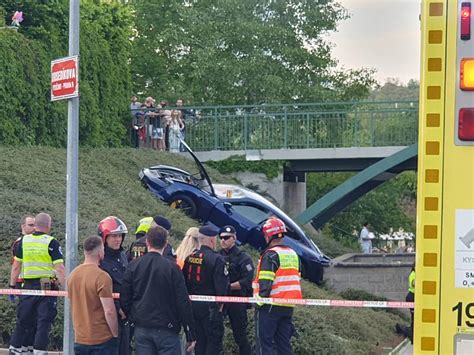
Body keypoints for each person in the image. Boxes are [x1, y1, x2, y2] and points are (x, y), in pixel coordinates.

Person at [120, 226, 196, 354]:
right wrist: (190, 333)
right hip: (167, 328)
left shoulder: (133, 265)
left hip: (142, 327)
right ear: (166, 244)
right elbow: (183, 301)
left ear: (147, 242)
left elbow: (125, 297)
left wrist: (133, 316)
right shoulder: (173, 268)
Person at [9, 213, 65, 355]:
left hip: (27, 285)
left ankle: (15, 349)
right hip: (46, 284)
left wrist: (11, 286)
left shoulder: (24, 241)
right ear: (48, 225)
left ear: (36, 225)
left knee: (23, 320)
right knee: (43, 322)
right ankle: (39, 351)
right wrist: (67, 288)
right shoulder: (52, 242)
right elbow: (59, 269)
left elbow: (16, 266)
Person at [253, 217, 302, 355]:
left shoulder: (270, 255)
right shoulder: (293, 254)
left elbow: (265, 283)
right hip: (288, 306)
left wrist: (258, 303)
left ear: (268, 235)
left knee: (265, 345)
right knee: (283, 345)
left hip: (269, 305)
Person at [182, 225, 229, 355]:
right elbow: (222, 287)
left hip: (193, 307)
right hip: (211, 308)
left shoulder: (190, 257)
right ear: (212, 240)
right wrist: (220, 307)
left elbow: (183, 282)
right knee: (213, 342)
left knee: (199, 342)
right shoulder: (217, 259)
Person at [68, 236, 119, 354]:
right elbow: (109, 311)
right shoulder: (102, 277)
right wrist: (115, 333)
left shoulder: (72, 276)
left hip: (80, 338)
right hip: (101, 339)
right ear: (100, 252)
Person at [218, 225, 254, 355]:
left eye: (226, 238)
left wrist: (229, 286)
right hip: (220, 299)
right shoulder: (217, 256)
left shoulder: (243, 258)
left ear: (234, 238)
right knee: (215, 333)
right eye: (221, 238)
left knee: (240, 335)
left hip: (236, 299)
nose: (223, 240)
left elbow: (247, 280)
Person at [98, 216, 130, 355]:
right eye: (114, 236)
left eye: (120, 236)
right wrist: (117, 307)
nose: (118, 239)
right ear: (104, 238)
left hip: (126, 313)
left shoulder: (122, 255)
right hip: (109, 316)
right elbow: (104, 289)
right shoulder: (101, 260)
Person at [9, 215, 36, 355]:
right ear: (23, 226)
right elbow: (16, 266)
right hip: (23, 284)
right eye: (30, 225)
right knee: (24, 318)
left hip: (35, 285)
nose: (34, 228)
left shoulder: (38, 242)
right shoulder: (20, 243)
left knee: (34, 321)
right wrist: (12, 287)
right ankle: (17, 348)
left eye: (35, 225)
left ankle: (27, 348)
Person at [396, 262, 415, 343]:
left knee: (415, 318)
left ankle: (412, 335)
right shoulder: (413, 274)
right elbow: (414, 284)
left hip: (415, 297)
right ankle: (411, 335)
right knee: (414, 317)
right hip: (412, 297)